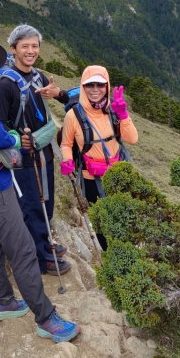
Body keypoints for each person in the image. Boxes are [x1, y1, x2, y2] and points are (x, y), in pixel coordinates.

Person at [0, 33, 80, 343]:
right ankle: (46, 318)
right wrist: (15, 140)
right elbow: (1, 136)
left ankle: (3, 300)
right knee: (21, 249)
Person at [0, 24, 71, 276]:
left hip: (44, 151)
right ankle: (41, 258)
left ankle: (45, 239)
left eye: (35, 46)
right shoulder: (6, 85)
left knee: (45, 202)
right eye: (24, 46)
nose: (30, 51)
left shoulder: (38, 77)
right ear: (13, 49)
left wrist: (56, 93)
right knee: (31, 205)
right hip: (24, 158)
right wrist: (18, 139)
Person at [59, 65, 138, 250]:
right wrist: (67, 160)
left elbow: (133, 139)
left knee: (122, 214)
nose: (95, 90)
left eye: (100, 85)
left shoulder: (114, 110)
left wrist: (123, 115)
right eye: (90, 85)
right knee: (101, 217)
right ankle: (109, 252)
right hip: (90, 178)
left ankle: (125, 250)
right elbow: (66, 143)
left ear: (107, 86)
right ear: (83, 87)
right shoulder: (74, 115)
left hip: (117, 174)